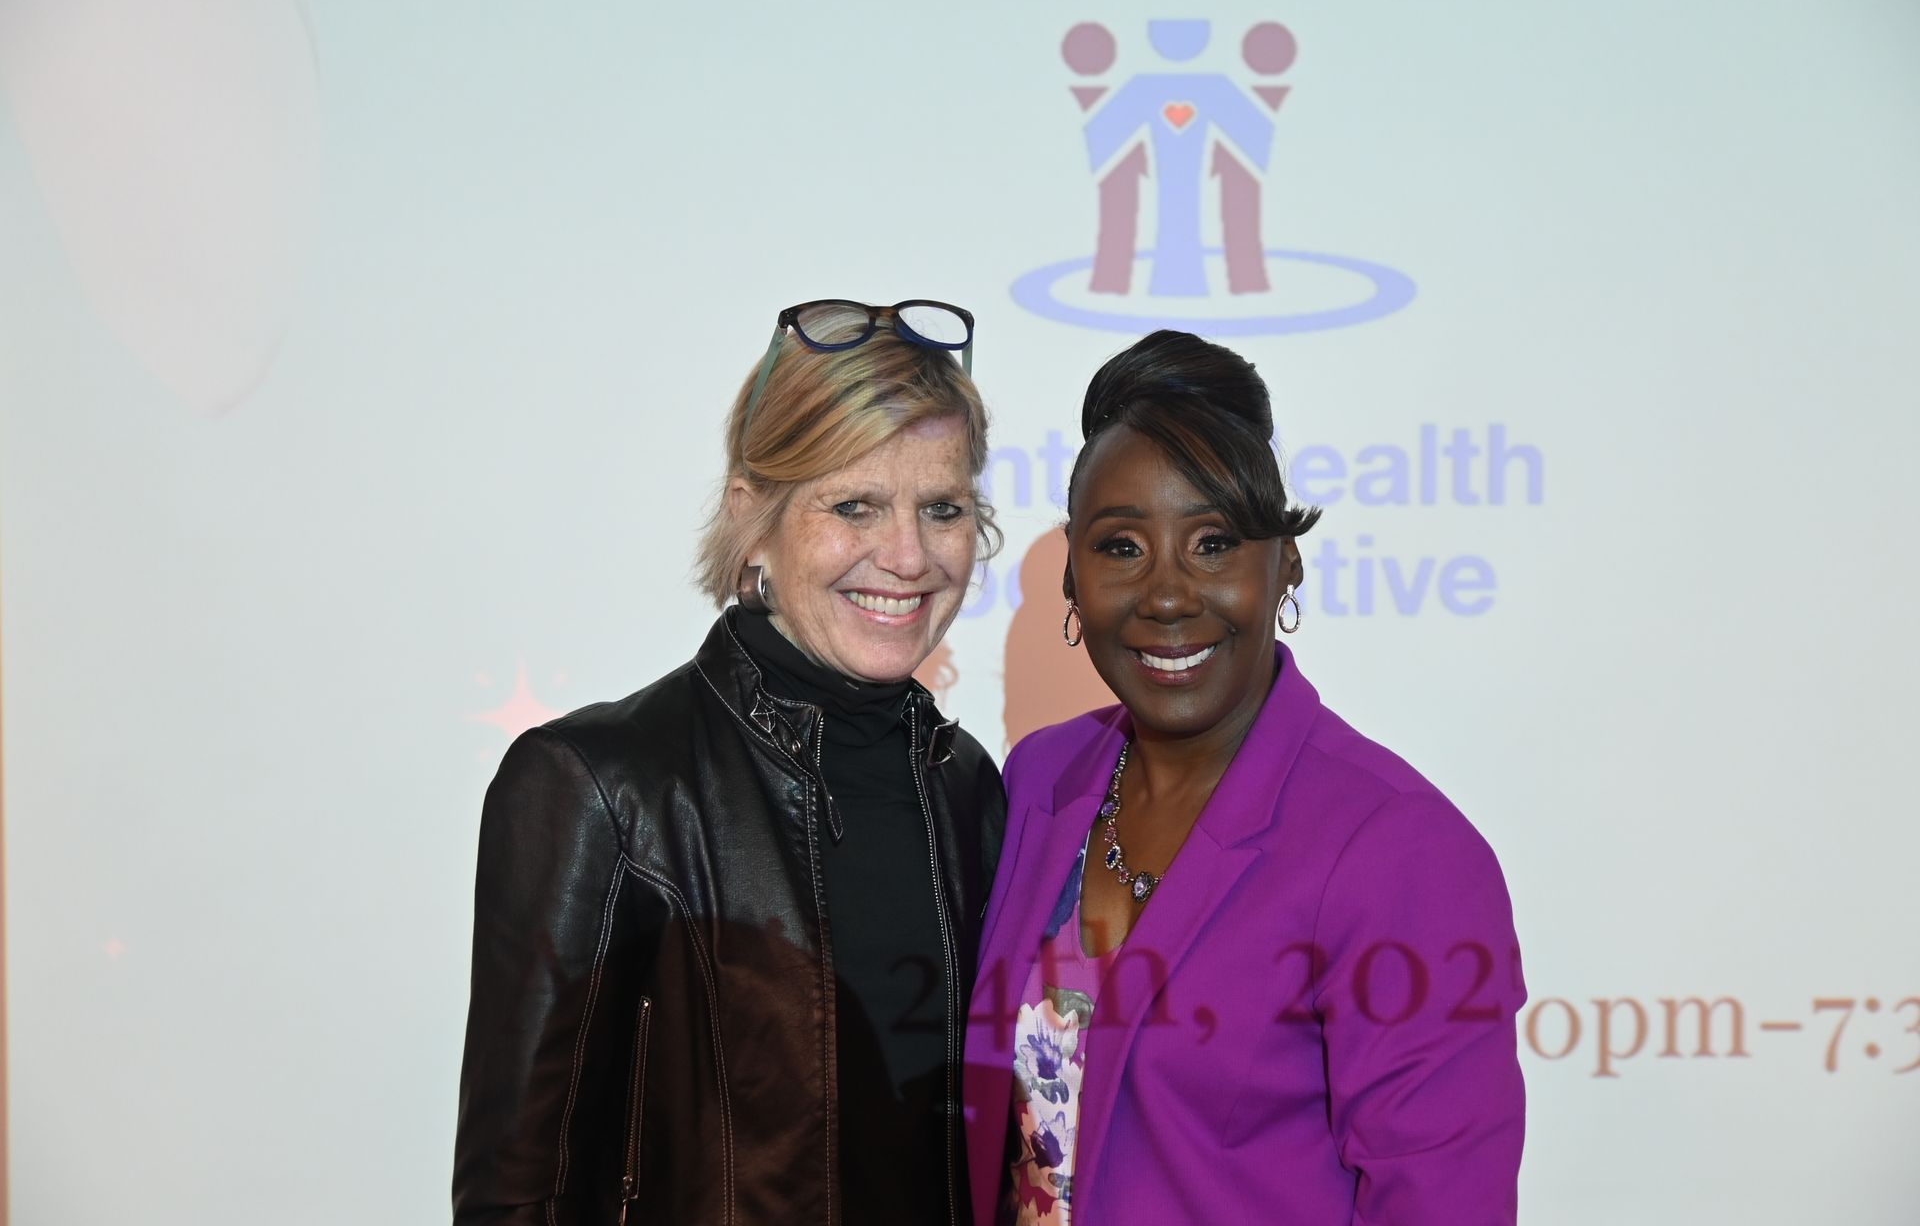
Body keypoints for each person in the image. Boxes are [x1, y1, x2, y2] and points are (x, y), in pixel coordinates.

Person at [455, 300, 1007, 1226]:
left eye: (941, 508)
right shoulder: (598, 788)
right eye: (855, 506)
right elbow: (519, 1198)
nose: (909, 556)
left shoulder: (965, 788)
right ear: (754, 519)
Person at [962, 330, 1525, 1225]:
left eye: (1214, 542)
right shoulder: (1040, 779)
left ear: (1286, 564)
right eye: (1121, 547)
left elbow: (1440, 1203)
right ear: (1073, 574)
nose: (1167, 594)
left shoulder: (1402, 851)